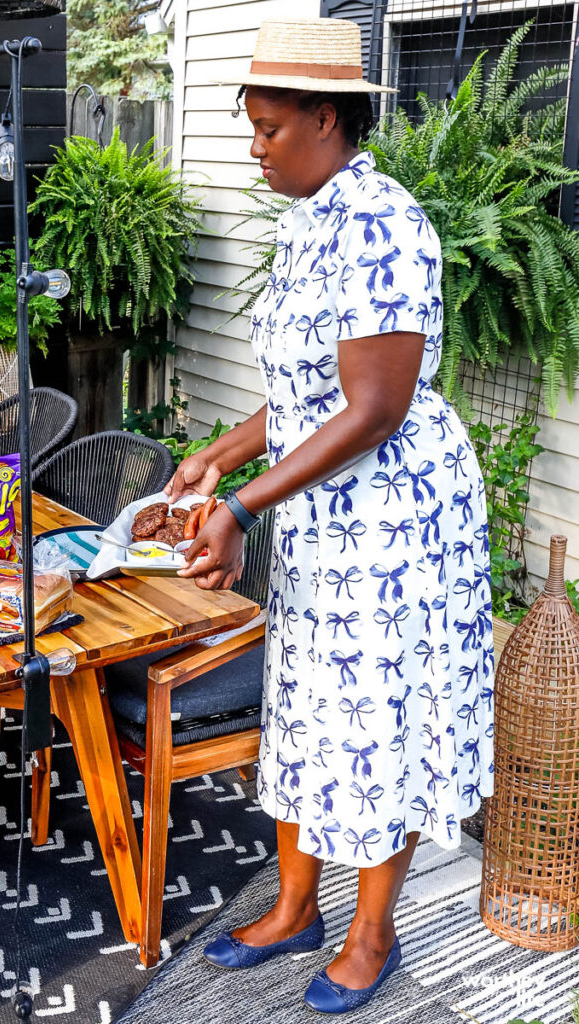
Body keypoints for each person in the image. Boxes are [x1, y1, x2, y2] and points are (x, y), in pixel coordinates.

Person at [165, 16, 494, 1016]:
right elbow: (310, 387)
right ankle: (296, 907)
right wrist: (223, 450)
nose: (253, 144)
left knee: (375, 724)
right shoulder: (309, 217)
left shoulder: (381, 223)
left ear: (322, 116)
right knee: (306, 714)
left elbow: (373, 405)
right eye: (250, 127)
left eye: (267, 127)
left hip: (393, 522)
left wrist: (239, 505)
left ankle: (370, 929)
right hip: (322, 522)